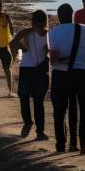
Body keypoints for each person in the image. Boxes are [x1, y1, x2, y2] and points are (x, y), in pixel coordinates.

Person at [48, 3, 85, 154]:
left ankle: (61, 145)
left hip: (60, 75)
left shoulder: (53, 33)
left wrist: (62, 58)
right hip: (82, 74)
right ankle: (83, 145)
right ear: (72, 15)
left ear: (58, 16)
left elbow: (53, 60)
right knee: (84, 110)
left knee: (59, 111)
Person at [11, 10, 50, 140]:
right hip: (28, 69)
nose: (33, 23)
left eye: (34, 20)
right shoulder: (27, 33)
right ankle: (29, 123)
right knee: (25, 98)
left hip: (38, 70)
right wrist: (22, 47)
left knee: (37, 101)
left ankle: (39, 131)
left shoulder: (49, 35)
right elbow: (13, 43)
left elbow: (50, 51)